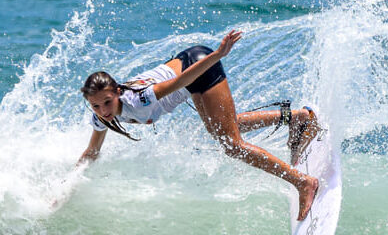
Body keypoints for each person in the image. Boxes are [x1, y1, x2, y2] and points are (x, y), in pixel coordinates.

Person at [77, 30, 321, 220]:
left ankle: (303, 182)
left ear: (118, 92)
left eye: (107, 102)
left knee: (232, 144)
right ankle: (300, 118)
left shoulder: (139, 100)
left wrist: (218, 55)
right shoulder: (100, 118)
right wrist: (69, 181)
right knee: (224, 128)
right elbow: (92, 151)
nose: (104, 111)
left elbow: (181, 81)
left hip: (197, 68)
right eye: (96, 106)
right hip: (187, 68)